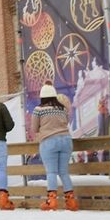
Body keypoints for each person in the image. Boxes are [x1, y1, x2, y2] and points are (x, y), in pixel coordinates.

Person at [32, 82, 77, 211]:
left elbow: (34, 128)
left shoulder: (38, 110)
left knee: (51, 172)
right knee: (64, 172)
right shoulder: (62, 108)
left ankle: (51, 201)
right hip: (66, 140)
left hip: (49, 141)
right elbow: (66, 122)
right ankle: (71, 202)